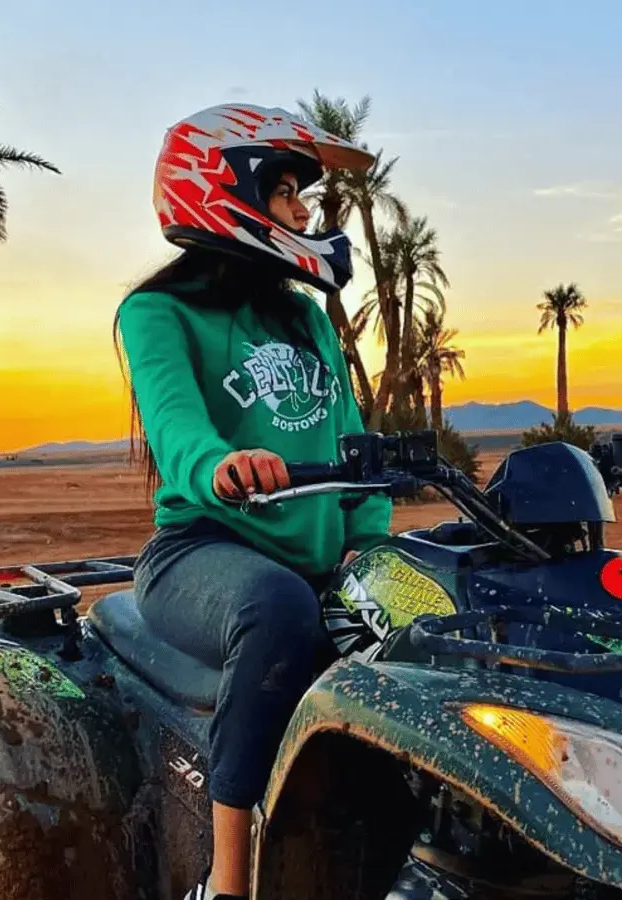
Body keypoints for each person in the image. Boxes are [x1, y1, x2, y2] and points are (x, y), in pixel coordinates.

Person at [114, 104, 393, 900]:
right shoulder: (157, 312)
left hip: (310, 560)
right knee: (277, 609)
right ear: (223, 191)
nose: (306, 211)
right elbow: (176, 432)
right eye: (286, 191)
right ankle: (229, 882)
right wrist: (225, 463)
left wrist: (371, 546)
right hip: (199, 553)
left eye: (303, 194)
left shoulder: (306, 319)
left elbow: (352, 445)